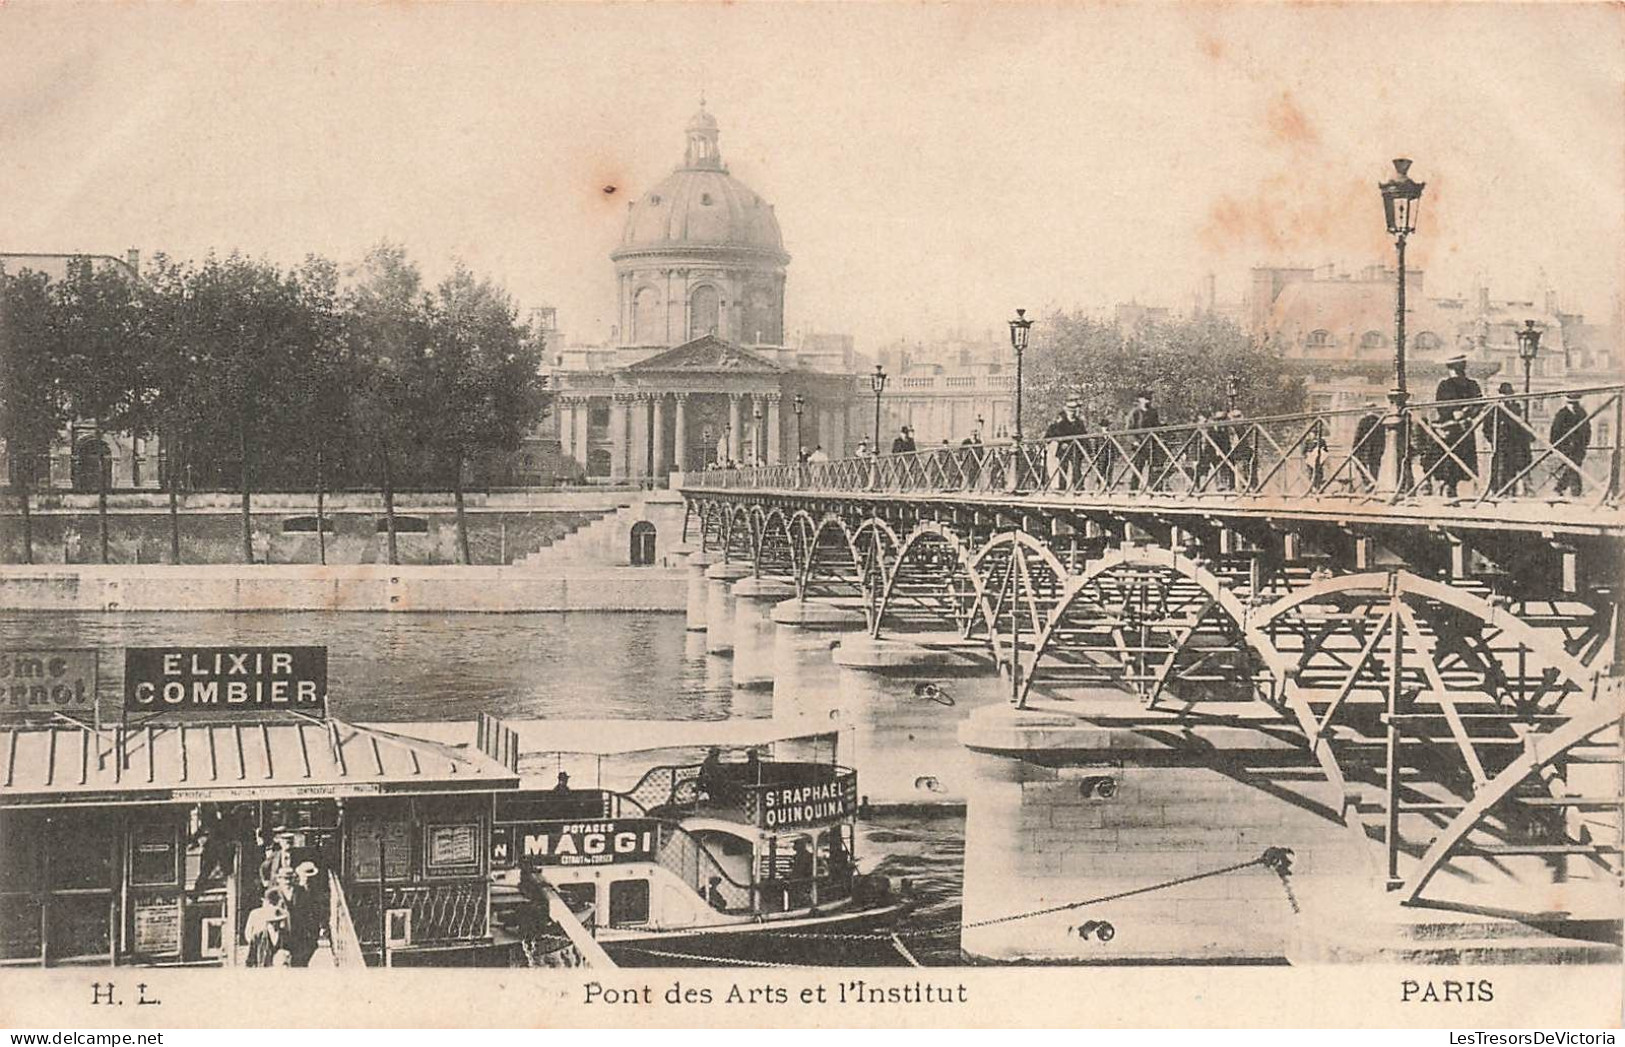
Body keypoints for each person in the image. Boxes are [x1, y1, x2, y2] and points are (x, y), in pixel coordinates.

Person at [1433, 353, 1483, 499]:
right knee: (1450, 457)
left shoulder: (1472, 384)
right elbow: (1441, 406)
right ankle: (1449, 486)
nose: (1461, 369)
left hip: (1465, 426)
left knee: (1462, 457)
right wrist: (1454, 412)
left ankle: (1452, 487)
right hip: (1450, 426)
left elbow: (1479, 403)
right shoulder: (1446, 385)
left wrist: (1468, 412)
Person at [1489, 382, 1533, 497]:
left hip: (1513, 444)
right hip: (1500, 443)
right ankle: (1498, 491)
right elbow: (1487, 427)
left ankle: (1510, 491)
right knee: (1500, 467)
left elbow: (1522, 426)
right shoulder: (1494, 409)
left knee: (1511, 468)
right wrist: (1493, 440)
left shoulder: (1516, 409)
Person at [1551, 392, 1592, 498]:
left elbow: (1588, 430)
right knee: (1573, 467)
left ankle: (1560, 488)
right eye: (1572, 403)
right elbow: (1555, 431)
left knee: (1574, 467)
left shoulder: (1582, 413)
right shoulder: (1562, 414)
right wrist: (1555, 446)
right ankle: (1575, 491)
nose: (1574, 405)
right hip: (1565, 446)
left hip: (1579, 447)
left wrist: (1585, 443)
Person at [244, 889, 290, 967]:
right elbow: (248, 935)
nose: (276, 924)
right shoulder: (257, 935)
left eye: (278, 921)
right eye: (273, 922)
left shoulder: (284, 935)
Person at [1127, 392, 1162, 491]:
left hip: (1151, 443)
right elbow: (1129, 430)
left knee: (1154, 466)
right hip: (1139, 444)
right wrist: (1134, 441)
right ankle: (1133, 490)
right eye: (1145, 399)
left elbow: (1157, 427)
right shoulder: (1135, 413)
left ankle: (1152, 489)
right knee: (1138, 466)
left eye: (1149, 399)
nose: (1148, 401)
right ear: (1140, 400)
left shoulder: (1153, 412)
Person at [1352, 402, 1385, 490]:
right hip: (1376, 448)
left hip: (1364, 448)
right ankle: (1373, 483)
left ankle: (1368, 483)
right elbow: (1383, 437)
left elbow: (1358, 435)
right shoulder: (1380, 421)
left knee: (1360, 464)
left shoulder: (1364, 420)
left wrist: (1354, 448)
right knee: (1375, 466)